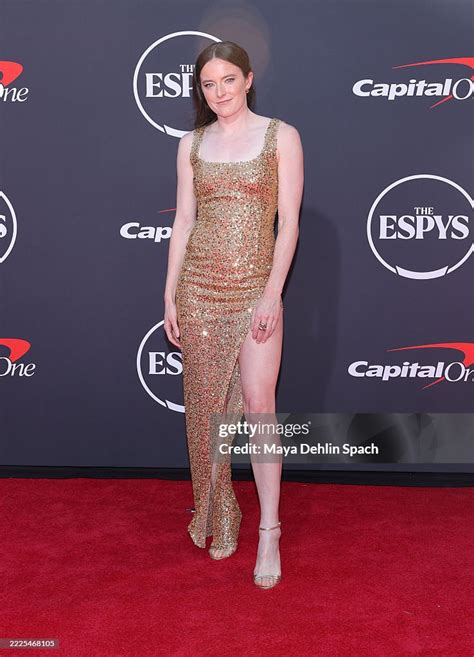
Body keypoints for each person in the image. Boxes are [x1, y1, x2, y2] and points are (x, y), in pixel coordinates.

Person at [163, 41, 303, 589]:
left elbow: (288, 224)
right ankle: (219, 512)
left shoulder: (280, 136)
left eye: (227, 80)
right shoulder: (191, 144)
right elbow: (183, 222)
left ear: (248, 79)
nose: (218, 92)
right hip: (198, 289)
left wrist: (272, 294)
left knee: (260, 406)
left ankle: (270, 530)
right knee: (206, 412)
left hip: (254, 291)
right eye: (208, 84)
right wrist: (170, 295)